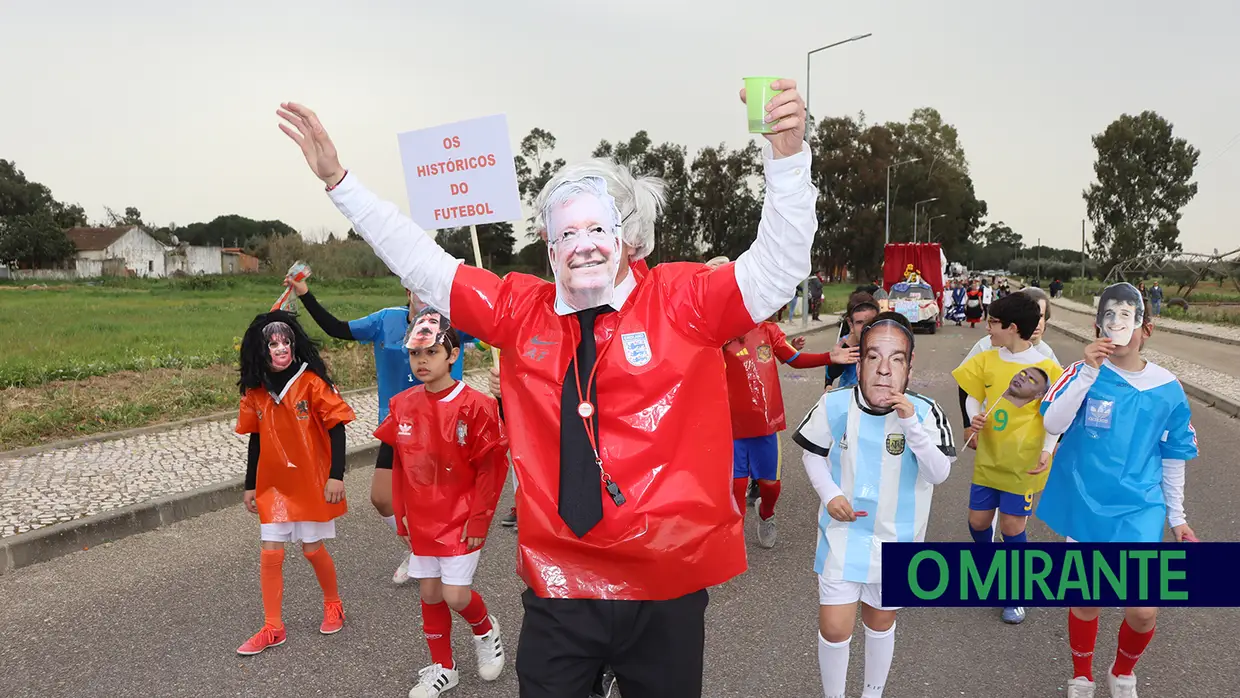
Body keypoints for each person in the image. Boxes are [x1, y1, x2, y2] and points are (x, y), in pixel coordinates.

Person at [277, 78, 814, 698]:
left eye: (597, 229)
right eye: (565, 234)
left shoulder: (683, 301)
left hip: (664, 581)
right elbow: (424, 263)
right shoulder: (518, 310)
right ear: (548, 245)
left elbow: (777, 266)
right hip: (561, 583)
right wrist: (340, 182)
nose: (581, 246)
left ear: (629, 238)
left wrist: (789, 159)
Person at [1040, 282, 1198, 698]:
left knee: (1143, 610)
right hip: (1087, 500)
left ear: (1146, 329)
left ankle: (1122, 670)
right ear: (1097, 326)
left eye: (1128, 318)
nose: (1118, 326)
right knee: (1088, 598)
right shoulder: (1081, 374)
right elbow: (1053, 423)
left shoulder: (1167, 388)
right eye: (1109, 317)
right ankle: (1082, 674)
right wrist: (1088, 371)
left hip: (1141, 506)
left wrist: (1178, 517)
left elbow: (1173, 455)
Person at [793, 312, 955, 698]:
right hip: (843, 538)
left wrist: (911, 424)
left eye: (896, 359)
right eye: (873, 357)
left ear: (910, 366)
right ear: (859, 360)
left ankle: (872, 693)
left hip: (897, 542)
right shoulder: (834, 404)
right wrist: (830, 494)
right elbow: (812, 454)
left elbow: (938, 473)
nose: (884, 370)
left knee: (880, 622)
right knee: (834, 626)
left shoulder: (926, 412)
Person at [284, 275, 476, 584]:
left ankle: (448, 558)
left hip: (444, 423)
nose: (424, 297)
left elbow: (494, 329)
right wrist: (305, 294)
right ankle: (418, 549)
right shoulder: (386, 320)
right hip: (397, 424)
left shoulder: (452, 324)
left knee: (439, 499)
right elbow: (337, 328)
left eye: (431, 291)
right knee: (381, 497)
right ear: (407, 291)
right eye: (418, 289)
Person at [374, 311, 507, 697]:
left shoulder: (478, 405)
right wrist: (400, 515)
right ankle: (443, 667)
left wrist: (479, 519)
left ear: (452, 355)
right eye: (415, 353)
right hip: (422, 517)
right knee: (429, 593)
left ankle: (486, 629)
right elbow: (398, 466)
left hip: (462, 517)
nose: (421, 361)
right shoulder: (402, 405)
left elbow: (492, 469)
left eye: (431, 351)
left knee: (455, 595)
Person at [234, 311, 356, 655]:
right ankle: (273, 626)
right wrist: (249, 485)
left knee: (312, 549)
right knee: (269, 552)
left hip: (311, 480)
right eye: (273, 343)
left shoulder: (312, 382)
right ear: (261, 349)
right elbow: (255, 440)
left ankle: (333, 603)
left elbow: (337, 427)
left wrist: (336, 475)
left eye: (285, 341)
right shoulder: (256, 390)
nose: (281, 347)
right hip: (273, 484)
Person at [952, 293, 1063, 626]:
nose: (988, 328)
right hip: (989, 459)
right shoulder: (986, 359)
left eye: (993, 323)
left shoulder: (1048, 369)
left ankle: (1014, 588)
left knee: (1013, 526)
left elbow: (1054, 418)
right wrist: (974, 418)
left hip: (1023, 463)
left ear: (1012, 328)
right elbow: (973, 396)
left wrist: (1047, 449)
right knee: (978, 522)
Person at [725, 317, 858, 548]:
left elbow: (793, 358)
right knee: (735, 488)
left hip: (765, 426)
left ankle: (766, 515)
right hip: (730, 428)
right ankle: (734, 542)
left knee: (770, 486)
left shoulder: (768, 330)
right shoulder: (719, 335)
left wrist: (828, 357)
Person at [824, 295, 879, 390]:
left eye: (870, 322)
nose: (864, 327)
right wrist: (828, 384)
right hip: (849, 394)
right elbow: (831, 374)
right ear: (850, 323)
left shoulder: (885, 341)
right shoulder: (845, 343)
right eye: (859, 322)